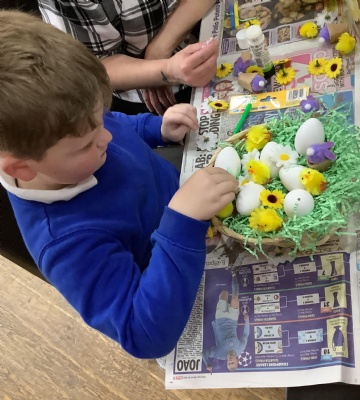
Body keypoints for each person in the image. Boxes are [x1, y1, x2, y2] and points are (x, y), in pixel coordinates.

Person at [0, 10, 238, 359]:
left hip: (184, 204)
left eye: (100, 118)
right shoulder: (67, 244)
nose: (106, 137)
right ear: (22, 167)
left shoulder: (71, 127)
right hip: (174, 284)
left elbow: (116, 124)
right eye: (86, 144)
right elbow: (143, 334)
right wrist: (182, 222)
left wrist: (156, 128)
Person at [38, 0, 218, 115]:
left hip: (201, 35)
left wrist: (159, 49)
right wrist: (163, 69)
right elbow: (91, 67)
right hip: (141, 93)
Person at [202, 270, 250, 372]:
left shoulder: (219, 354)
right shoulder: (240, 348)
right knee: (235, 297)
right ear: (237, 361)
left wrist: (207, 363)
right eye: (233, 362)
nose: (230, 361)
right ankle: (234, 273)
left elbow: (204, 353)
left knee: (224, 293)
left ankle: (225, 287)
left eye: (229, 363)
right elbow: (245, 335)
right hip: (233, 319)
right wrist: (247, 322)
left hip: (220, 318)